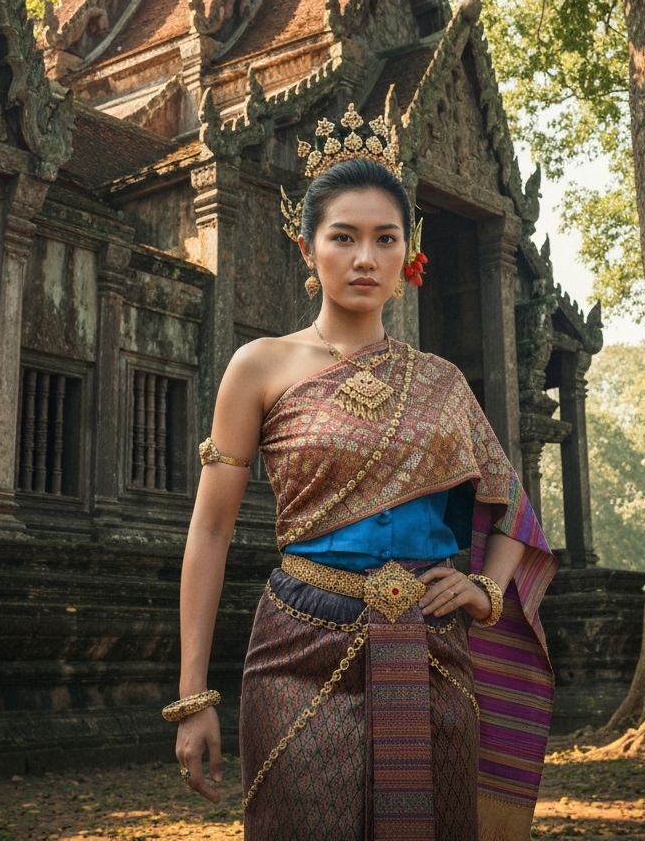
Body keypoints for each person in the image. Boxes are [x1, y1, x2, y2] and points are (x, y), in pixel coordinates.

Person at [165, 106, 556, 841]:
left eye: (385, 239)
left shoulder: (440, 381)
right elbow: (211, 531)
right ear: (307, 247)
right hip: (298, 647)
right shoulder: (259, 367)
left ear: (409, 256)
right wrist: (193, 696)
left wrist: (486, 590)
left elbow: (513, 510)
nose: (364, 258)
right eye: (343, 237)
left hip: (433, 647)